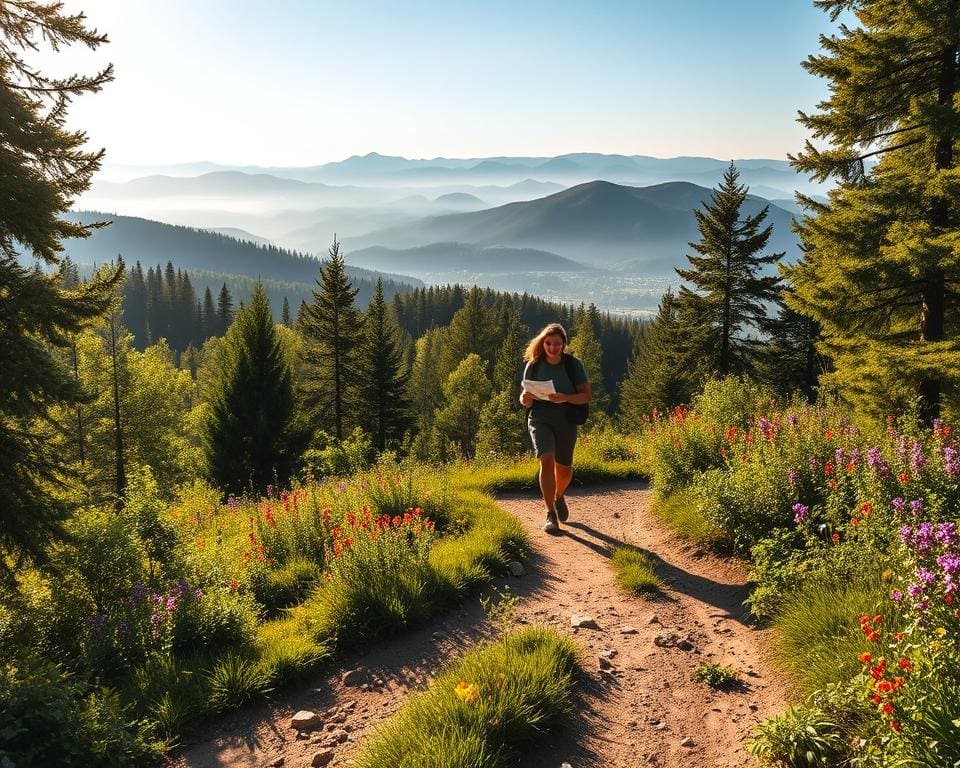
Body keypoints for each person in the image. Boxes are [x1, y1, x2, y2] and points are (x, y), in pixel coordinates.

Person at [519, 323, 591, 534]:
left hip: (566, 420)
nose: (552, 347)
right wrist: (524, 398)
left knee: (565, 470)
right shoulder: (534, 365)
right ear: (543, 343)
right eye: (548, 343)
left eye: (557, 344)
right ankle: (550, 513)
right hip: (540, 418)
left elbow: (586, 396)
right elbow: (526, 398)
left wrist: (565, 398)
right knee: (546, 459)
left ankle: (559, 495)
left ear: (564, 344)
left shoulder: (573, 365)